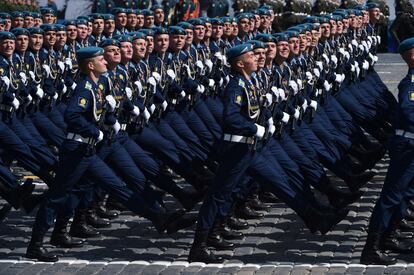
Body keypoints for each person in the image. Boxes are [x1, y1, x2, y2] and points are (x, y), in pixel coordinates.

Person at [360, 37, 414, 265]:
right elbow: (409, 111)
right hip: (407, 147)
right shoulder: (410, 83)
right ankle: (371, 248)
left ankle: (389, 236)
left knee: (406, 194)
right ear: (411, 56)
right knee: (391, 196)